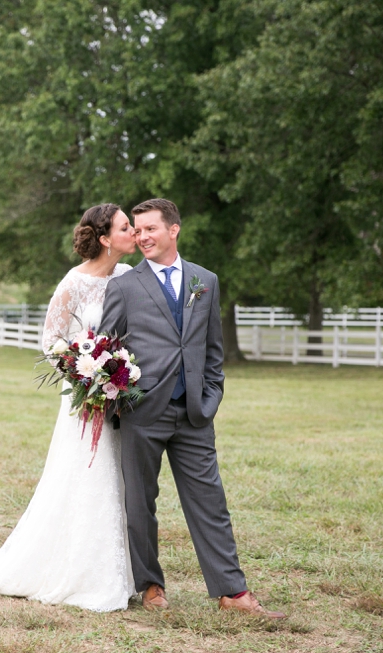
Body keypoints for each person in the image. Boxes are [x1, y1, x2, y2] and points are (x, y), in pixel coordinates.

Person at [0, 203, 138, 611]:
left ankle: (119, 571)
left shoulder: (129, 276)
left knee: (118, 479)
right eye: (125, 226)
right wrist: (89, 378)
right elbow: (51, 342)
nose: (133, 231)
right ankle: (78, 572)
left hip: (122, 396)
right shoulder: (73, 283)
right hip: (87, 399)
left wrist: (120, 375)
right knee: (86, 476)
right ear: (104, 239)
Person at [98, 198, 286, 618]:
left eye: (150, 229)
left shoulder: (205, 280)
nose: (142, 237)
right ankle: (149, 584)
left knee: (210, 501)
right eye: (137, 230)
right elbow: (105, 350)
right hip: (142, 413)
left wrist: (211, 396)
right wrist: (121, 401)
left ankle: (232, 593)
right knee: (140, 503)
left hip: (195, 414)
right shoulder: (124, 286)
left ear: (174, 229)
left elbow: (212, 349)